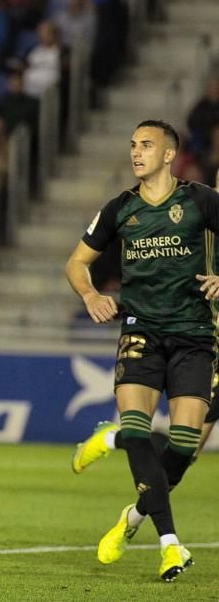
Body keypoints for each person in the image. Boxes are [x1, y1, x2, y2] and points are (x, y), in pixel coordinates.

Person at [65, 120, 219, 582]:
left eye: (146, 145)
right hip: (141, 333)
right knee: (139, 428)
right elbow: (76, 263)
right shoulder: (121, 208)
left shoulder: (199, 201)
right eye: (133, 144)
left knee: (185, 446)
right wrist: (91, 295)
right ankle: (170, 545)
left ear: (169, 155)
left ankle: (128, 505)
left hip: (194, 335)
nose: (136, 152)